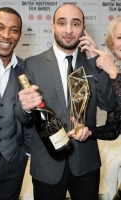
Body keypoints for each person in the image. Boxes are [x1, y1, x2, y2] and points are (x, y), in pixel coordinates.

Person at [16, 4, 117, 200]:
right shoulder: (32, 64)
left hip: (86, 164)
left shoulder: (91, 63)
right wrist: (25, 107)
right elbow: (21, 116)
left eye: (75, 24)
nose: (69, 30)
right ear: (52, 26)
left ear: (83, 28)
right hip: (47, 165)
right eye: (62, 23)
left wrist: (97, 67)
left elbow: (108, 105)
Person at [0, 7, 37, 200]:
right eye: (0, 27)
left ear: (20, 35)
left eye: (14, 30)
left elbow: (31, 116)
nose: (6, 35)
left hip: (14, 164)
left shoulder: (26, 69)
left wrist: (26, 153)